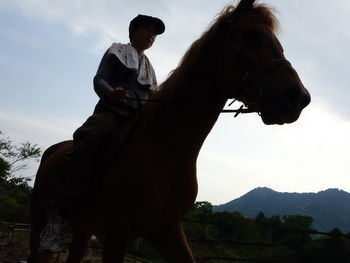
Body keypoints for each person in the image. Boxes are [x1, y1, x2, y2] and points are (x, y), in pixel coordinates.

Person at [38, 14, 165, 253]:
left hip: (138, 118)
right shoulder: (117, 50)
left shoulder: (150, 67)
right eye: (147, 30)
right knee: (87, 141)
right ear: (133, 31)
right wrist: (110, 92)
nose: (151, 36)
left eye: (154, 34)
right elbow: (98, 79)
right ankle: (59, 218)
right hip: (113, 112)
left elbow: (153, 98)